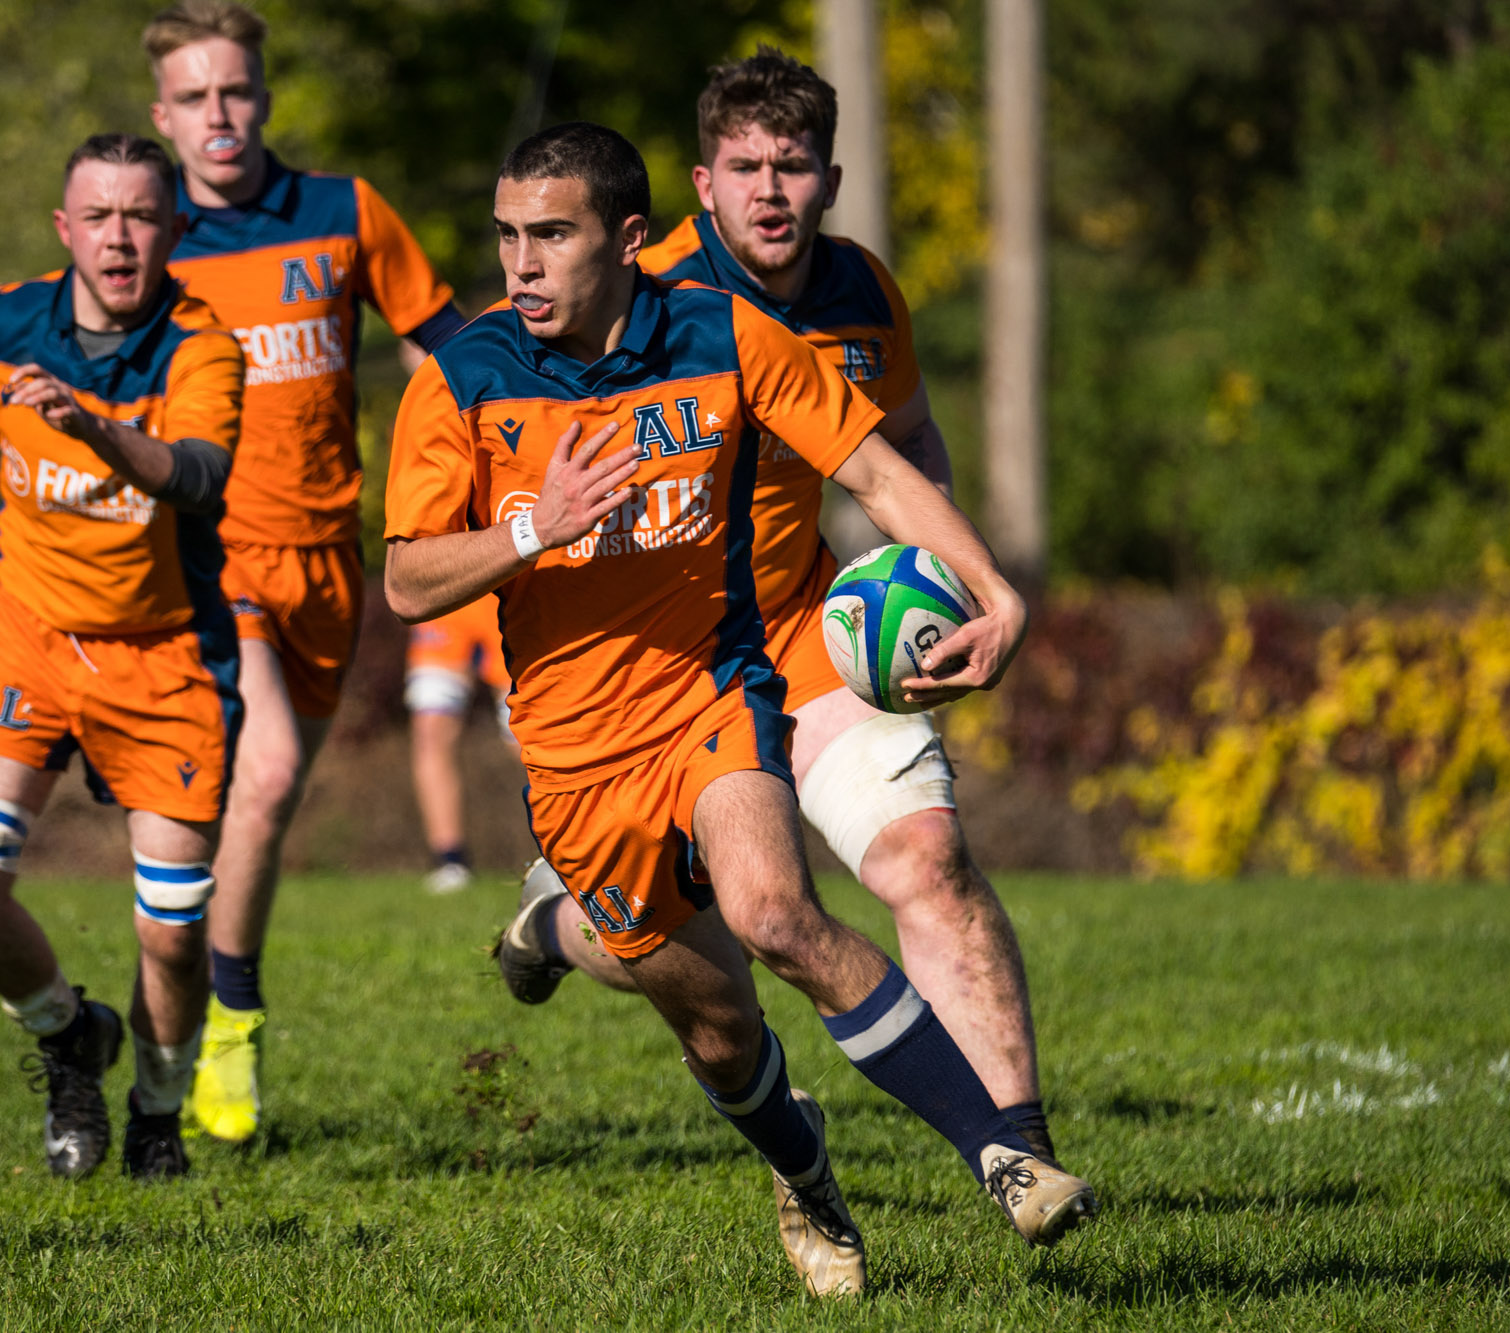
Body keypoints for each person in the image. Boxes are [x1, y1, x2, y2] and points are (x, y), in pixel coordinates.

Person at [385, 121, 1086, 1298]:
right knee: (717, 1031)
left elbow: (871, 467)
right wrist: (528, 531)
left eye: (548, 236)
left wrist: (997, 591)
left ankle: (1004, 1158)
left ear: (624, 240)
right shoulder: (465, 375)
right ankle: (805, 1171)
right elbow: (405, 579)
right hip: (569, 753)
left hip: (714, 690)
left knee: (774, 912)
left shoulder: (723, 334)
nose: (519, 264)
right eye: (506, 236)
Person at [143, 0, 467, 1143]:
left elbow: (443, 346)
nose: (218, 115)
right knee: (267, 773)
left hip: (331, 564)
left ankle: (197, 1017)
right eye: (194, 97)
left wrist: (493, 459)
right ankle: (227, 1015)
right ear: (162, 116)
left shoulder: (343, 211)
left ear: (264, 98)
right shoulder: (147, 231)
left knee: (260, 815)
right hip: (207, 555)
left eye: (234, 91)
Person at [0, 133, 245, 1180]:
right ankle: (68, 1036)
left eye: (141, 215)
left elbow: (196, 476)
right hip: (27, 639)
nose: (119, 236)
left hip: (167, 655)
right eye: (98, 216)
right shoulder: (3, 321)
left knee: (175, 937)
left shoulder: (200, 343)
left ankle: (155, 1110)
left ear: (174, 230)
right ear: (65, 230)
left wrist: (92, 426)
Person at [404, 594, 516, 893]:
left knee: (526, 741)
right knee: (430, 730)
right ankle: (450, 861)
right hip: (449, 593)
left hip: (508, 588)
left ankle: (564, 852)